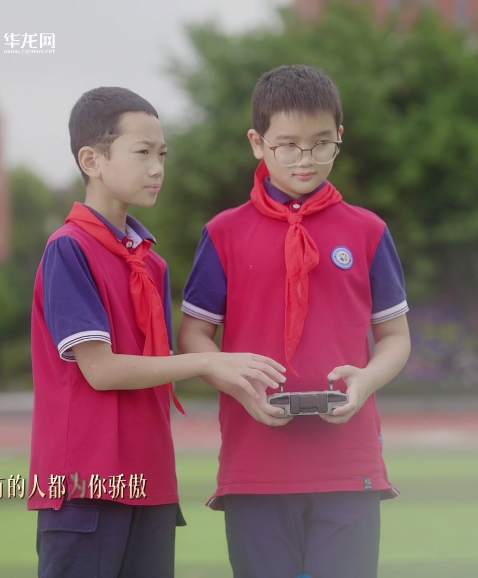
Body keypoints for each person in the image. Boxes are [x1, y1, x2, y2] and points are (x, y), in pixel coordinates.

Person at [29, 87, 287, 578]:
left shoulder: (152, 263)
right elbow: (101, 370)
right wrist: (209, 359)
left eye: (162, 154)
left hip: (149, 481)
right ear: (92, 160)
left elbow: (155, 367)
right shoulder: (69, 249)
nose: (157, 168)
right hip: (85, 483)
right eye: (143, 152)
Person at [177, 65, 412, 578]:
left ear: (339, 137)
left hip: (348, 464)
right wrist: (242, 387)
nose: (305, 159)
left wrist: (365, 381)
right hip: (255, 465)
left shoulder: (369, 231)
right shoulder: (223, 233)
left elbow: (395, 337)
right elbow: (194, 336)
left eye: (321, 143)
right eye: (287, 145)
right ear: (257, 143)